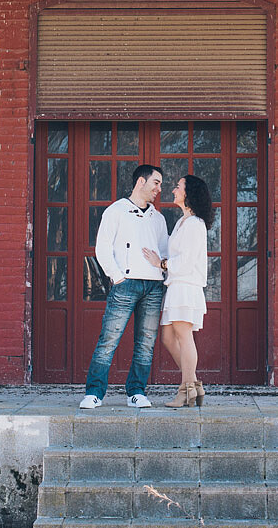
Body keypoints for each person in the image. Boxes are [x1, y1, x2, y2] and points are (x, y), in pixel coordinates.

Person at [79, 164, 169, 409]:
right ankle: (94, 393)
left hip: (153, 287)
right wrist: (117, 277)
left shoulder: (158, 219)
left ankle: (136, 392)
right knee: (109, 339)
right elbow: (102, 247)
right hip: (125, 285)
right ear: (141, 182)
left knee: (146, 343)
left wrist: (162, 268)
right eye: (156, 183)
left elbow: (165, 251)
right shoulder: (116, 211)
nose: (159, 189)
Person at [143, 174, 211, 408]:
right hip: (176, 286)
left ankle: (185, 391)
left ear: (188, 193)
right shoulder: (183, 222)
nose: (173, 190)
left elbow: (185, 262)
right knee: (168, 338)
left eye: (178, 187)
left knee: (183, 337)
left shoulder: (194, 224)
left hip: (186, 286)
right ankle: (194, 384)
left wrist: (160, 264)